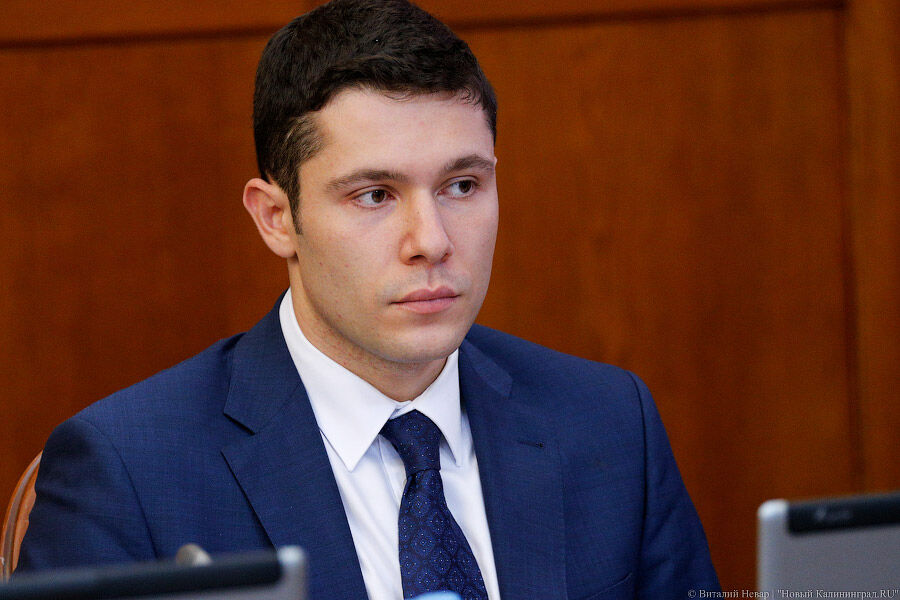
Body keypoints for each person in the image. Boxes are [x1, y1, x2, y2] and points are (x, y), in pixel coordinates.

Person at [16, 0, 721, 598]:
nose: (432, 241)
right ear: (276, 218)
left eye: (462, 186)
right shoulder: (132, 471)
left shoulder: (609, 424)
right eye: (375, 195)